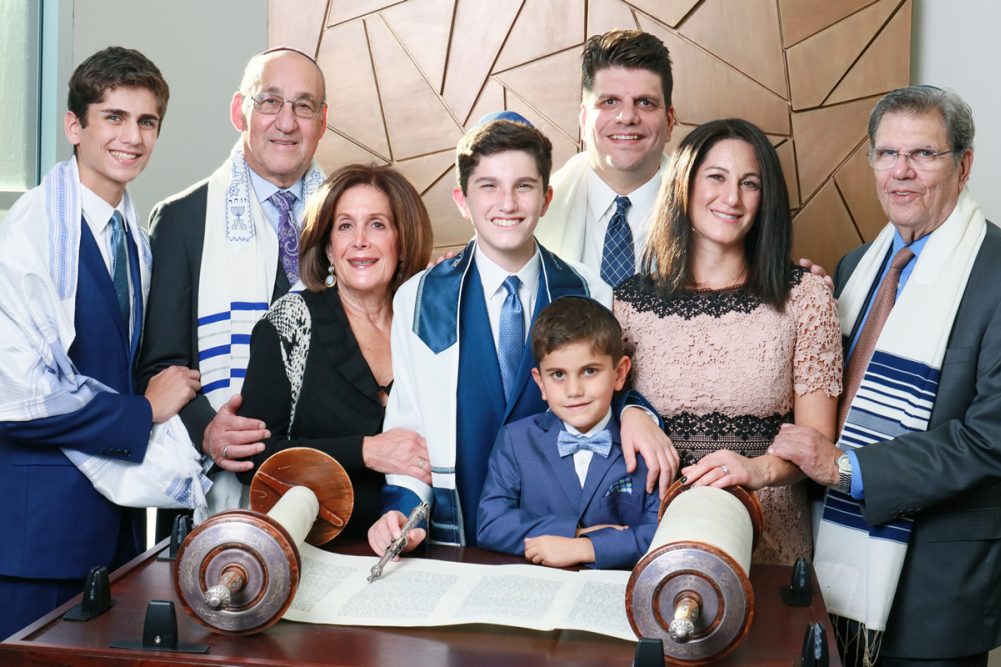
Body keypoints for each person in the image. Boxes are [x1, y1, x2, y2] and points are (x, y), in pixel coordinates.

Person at [768, 86, 1001, 667]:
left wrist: (845, 467)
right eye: (887, 154)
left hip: (938, 581)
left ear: (964, 164)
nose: (901, 172)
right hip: (831, 559)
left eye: (923, 155)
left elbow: (993, 441)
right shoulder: (858, 266)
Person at [367, 115, 676, 556]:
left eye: (525, 186)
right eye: (489, 186)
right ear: (462, 199)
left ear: (547, 198)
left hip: (570, 539)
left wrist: (637, 413)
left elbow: (612, 385)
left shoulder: (589, 290)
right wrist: (404, 512)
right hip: (461, 542)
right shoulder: (419, 298)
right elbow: (409, 425)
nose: (507, 203)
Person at [0, 47, 200, 637]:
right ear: (74, 126)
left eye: (146, 122)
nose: (131, 137)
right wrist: (144, 410)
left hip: (111, 528)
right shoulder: (29, 235)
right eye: (113, 117)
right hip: (35, 538)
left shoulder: (134, 238)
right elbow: (16, 397)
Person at [614, 118, 842, 566]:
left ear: (766, 199)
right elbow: (592, 408)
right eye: (716, 177)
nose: (732, 198)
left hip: (767, 540)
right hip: (653, 535)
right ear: (684, 184)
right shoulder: (629, 302)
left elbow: (817, 440)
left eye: (750, 183)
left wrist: (757, 470)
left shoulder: (806, 298)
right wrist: (629, 413)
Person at [138, 46, 329, 519]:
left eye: (303, 106)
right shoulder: (184, 218)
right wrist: (208, 430)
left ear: (323, 122)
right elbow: (158, 365)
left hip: (324, 476)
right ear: (238, 111)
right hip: (210, 482)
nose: (286, 122)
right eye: (269, 101)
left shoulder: (347, 223)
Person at [235, 164, 432, 534]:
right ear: (328, 245)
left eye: (377, 224)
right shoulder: (289, 323)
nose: (360, 240)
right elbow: (258, 459)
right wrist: (367, 451)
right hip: (320, 551)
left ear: (402, 240)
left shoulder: (428, 323)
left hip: (419, 543)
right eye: (345, 226)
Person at [477, 296, 660, 569]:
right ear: (540, 382)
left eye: (589, 371)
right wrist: (572, 532)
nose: (574, 391)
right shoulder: (516, 440)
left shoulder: (645, 445)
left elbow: (661, 533)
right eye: (558, 375)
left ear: (619, 373)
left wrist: (585, 548)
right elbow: (491, 523)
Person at [536, 29, 674, 287]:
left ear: (669, 120)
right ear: (584, 118)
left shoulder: (707, 217)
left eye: (645, 102)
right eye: (610, 102)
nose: (627, 117)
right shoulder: (532, 211)